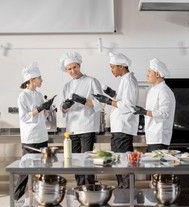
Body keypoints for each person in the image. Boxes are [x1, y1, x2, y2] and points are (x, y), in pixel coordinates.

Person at [93, 52, 139, 188]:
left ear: (121, 66)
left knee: (123, 163)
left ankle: (126, 192)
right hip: (119, 127)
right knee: (119, 162)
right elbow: (122, 99)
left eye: (112, 67)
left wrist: (107, 101)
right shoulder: (125, 79)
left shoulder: (129, 81)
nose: (111, 70)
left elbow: (128, 106)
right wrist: (111, 93)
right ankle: (123, 189)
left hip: (123, 127)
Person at [59, 51, 105, 186]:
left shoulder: (91, 81)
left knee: (87, 160)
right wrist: (65, 107)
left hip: (86, 126)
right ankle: (80, 187)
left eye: (74, 67)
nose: (72, 71)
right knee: (74, 161)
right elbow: (62, 108)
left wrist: (83, 100)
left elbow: (100, 103)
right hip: (72, 128)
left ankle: (89, 187)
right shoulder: (67, 86)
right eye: (69, 69)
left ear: (79, 66)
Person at [14, 62, 54, 200]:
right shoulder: (22, 96)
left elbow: (41, 116)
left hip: (42, 136)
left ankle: (43, 198)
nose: (41, 80)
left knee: (44, 169)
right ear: (31, 80)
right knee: (25, 171)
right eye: (39, 78)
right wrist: (39, 109)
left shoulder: (39, 94)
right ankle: (16, 199)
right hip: (30, 138)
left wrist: (46, 110)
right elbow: (24, 117)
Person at [132, 58, 176, 152]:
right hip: (152, 137)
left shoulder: (164, 91)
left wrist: (144, 112)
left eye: (149, 71)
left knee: (157, 165)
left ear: (157, 74)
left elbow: (164, 114)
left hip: (159, 138)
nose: (147, 74)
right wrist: (144, 111)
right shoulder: (153, 90)